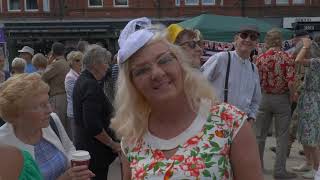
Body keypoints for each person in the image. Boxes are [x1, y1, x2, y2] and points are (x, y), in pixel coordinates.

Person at [111, 17, 262, 180]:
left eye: (164, 60)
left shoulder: (230, 122)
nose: (157, 73)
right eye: (141, 71)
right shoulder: (132, 137)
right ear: (132, 85)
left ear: (181, 64)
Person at [0, 73, 95, 180]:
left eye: (48, 102)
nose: (49, 110)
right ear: (17, 114)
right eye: (40, 106)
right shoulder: (3, 145)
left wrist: (76, 171)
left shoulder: (52, 121)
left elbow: (68, 148)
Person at [73, 45, 119, 180]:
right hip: (95, 152)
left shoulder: (83, 80)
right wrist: (113, 144)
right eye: (105, 62)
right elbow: (93, 125)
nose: (107, 67)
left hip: (88, 147)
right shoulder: (90, 85)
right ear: (96, 64)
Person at [255, 29, 296, 179]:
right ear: (280, 40)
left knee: (259, 136)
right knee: (282, 137)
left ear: (267, 40)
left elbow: (255, 80)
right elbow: (291, 82)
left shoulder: (260, 58)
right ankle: (279, 171)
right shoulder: (287, 57)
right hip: (281, 99)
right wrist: (292, 97)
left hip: (264, 97)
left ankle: (258, 168)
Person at [201, 25, 261, 124]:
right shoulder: (221, 58)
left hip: (241, 123)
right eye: (244, 35)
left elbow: (256, 99)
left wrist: (251, 117)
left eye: (253, 37)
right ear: (236, 39)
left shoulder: (253, 69)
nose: (248, 39)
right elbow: (200, 84)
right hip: (217, 120)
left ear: (256, 44)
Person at [295, 37, 320, 179]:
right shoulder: (314, 62)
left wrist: (305, 46)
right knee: (305, 134)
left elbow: (297, 60)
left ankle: (317, 169)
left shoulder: (316, 61)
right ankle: (309, 163)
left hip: (313, 101)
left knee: (312, 137)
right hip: (308, 99)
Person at [42, 42, 70, 138]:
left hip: (57, 97)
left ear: (53, 52)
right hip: (65, 96)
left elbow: (43, 76)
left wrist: (49, 62)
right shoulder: (66, 62)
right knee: (65, 126)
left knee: (59, 127)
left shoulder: (56, 64)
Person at [65, 51, 83, 141]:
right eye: (77, 60)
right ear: (71, 62)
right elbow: (74, 95)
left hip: (79, 110)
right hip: (74, 111)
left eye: (80, 60)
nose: (80, 62)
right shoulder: (70, 77)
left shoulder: (79, 74)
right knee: (76, 138)